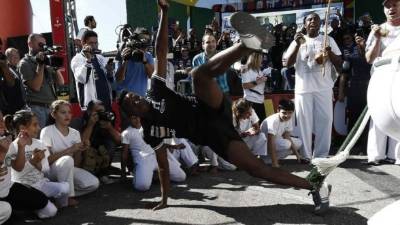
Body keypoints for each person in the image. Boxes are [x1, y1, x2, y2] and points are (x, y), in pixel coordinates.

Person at [119, 0, 331, 214]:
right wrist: (165, 199)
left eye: (135, 96)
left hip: (208, 106)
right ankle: (315, 186)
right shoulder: (150, 132)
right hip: (213, 136)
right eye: (132, 102)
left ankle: (246, 44)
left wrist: (164, 12)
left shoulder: (155, 89)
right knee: (257, 170)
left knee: (198, 75)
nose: (137, 99)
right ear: (132, 114)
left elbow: (161, 51)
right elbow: (163, 165)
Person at [284, 13, 342, 160]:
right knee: (304, 122)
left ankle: (321, 154)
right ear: (304, 24)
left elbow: (340, 64)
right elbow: (287, 64)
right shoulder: (297, 40)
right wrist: (297, 44)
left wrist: (329, 52)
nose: (312, 21)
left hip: (324, 87)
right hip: (303, 88)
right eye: (309, 19)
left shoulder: (328, 40)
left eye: (316, 19)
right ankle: (305, 155)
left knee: (326, 120)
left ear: (320, 23)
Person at [0, 110, 57, 222]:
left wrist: (21, 147)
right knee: (7, 210)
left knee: (50, 209)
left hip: (9, 188)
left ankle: (16, 211)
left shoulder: (5, 141)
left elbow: (17, 167)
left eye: (1, 120)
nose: (1, 124)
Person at [7, 110, 71, 208]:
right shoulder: (12, 147)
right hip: (25, 187)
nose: (39, 128)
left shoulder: (39, 143)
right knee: (50, 211)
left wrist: (38, 164)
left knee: (65, 187)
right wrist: (33, 162)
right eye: (35, 125)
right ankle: (40, 205)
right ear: (22, 128)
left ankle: (55, 203)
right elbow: (16, 175)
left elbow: (46, 170)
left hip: (41, 183)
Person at [40, 100, 99, 204]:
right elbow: (46, 161)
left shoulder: (75, 133)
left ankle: (58, 193)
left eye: (69, 112)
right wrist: (70, 150)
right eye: (63, 112)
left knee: (93, 183)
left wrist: (81, 149)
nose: (67, 115)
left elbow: (75, 164)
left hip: (68, 169)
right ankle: (67, 197)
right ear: (54, 114)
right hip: (51, 172)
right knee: (67, 159)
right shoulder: (47, 131)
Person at [365, 0, 400, 165]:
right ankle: (376, 155)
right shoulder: (377, 29)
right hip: (381, 77)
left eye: (395, 4)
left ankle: (396, 155)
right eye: (388, 6)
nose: (392, 8)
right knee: (378, 115)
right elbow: (369, 59)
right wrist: (378, 39)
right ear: (384, 9)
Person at [121, 114, 186, 191]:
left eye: (139, 117)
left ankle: (155, 174)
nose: (137, 120)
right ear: (129, 119)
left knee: (181, 177)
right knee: (142, 187)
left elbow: (162, 143)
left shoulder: (151, 127)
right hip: (144, 161)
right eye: (134, 118)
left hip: (158, 156)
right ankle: (139, 173)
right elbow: (124, 154)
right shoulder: (126, 133)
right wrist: (123, 173)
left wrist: (174, 146)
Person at [18, 33, 64, 128]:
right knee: (40, 140)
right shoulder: (25, 63)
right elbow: (36, 87)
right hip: (37, 108)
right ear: (30, 44)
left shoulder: (46, 61)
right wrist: (40, 64)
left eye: (44, 45)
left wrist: (55, 67)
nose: (43, 47)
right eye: (40, 45)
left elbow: (61, 82)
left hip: (52, 107)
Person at [71, 30, 114, 111]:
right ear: (83, 43)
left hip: (106, 103)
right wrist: (88, 60)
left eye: (96, 43)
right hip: (90, 107)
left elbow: (110, 79)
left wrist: (110, 71)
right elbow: (82, 78)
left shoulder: (100, 58)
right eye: (91, 43)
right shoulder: (77, 59)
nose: (94, 46)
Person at [260, 99, 302, 167]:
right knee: (287, 144)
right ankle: (268, 159)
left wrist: (297, 155)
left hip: (276, 141)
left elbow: (287, 136)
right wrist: (274, 163)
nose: (287, 115)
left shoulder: (289, 119)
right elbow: (271, 141)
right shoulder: (273, 121)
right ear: (278, 111)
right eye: (284, 112)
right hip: (264, 145)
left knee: (298, 143)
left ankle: (272, 159)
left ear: (293, 112)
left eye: (290, 112)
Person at [115, 27, 155, 96]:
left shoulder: (148, 56)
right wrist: (125, 61)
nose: (144, 48)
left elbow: (151, 76)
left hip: (140, 98)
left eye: (146, 43)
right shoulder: (123, 53)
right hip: (124, 99)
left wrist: (145, 62)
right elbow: (118, 79)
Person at [241, 52, 268, 121]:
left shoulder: (259, 70)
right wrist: (258, 82)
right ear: (256, 59)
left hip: (260, 101)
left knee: (261, 126)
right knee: (253, 126)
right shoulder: (245, 68)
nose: (262, 60)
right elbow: (245, 85)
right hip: (251, 101)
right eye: (261, 58)